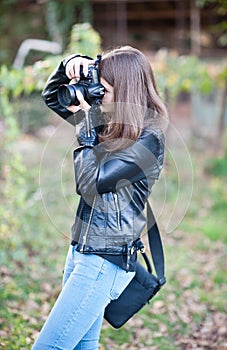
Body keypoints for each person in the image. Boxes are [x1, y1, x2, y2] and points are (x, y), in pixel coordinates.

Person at [32, 46, 168, 350]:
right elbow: (54, 97)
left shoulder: (148, 141)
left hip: (104, 261)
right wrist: (71, 64)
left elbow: (90, 183)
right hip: (81, 252)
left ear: (125, 90)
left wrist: (86, 124)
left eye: (103, 90)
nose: (95, 95)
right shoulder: (111, 122)